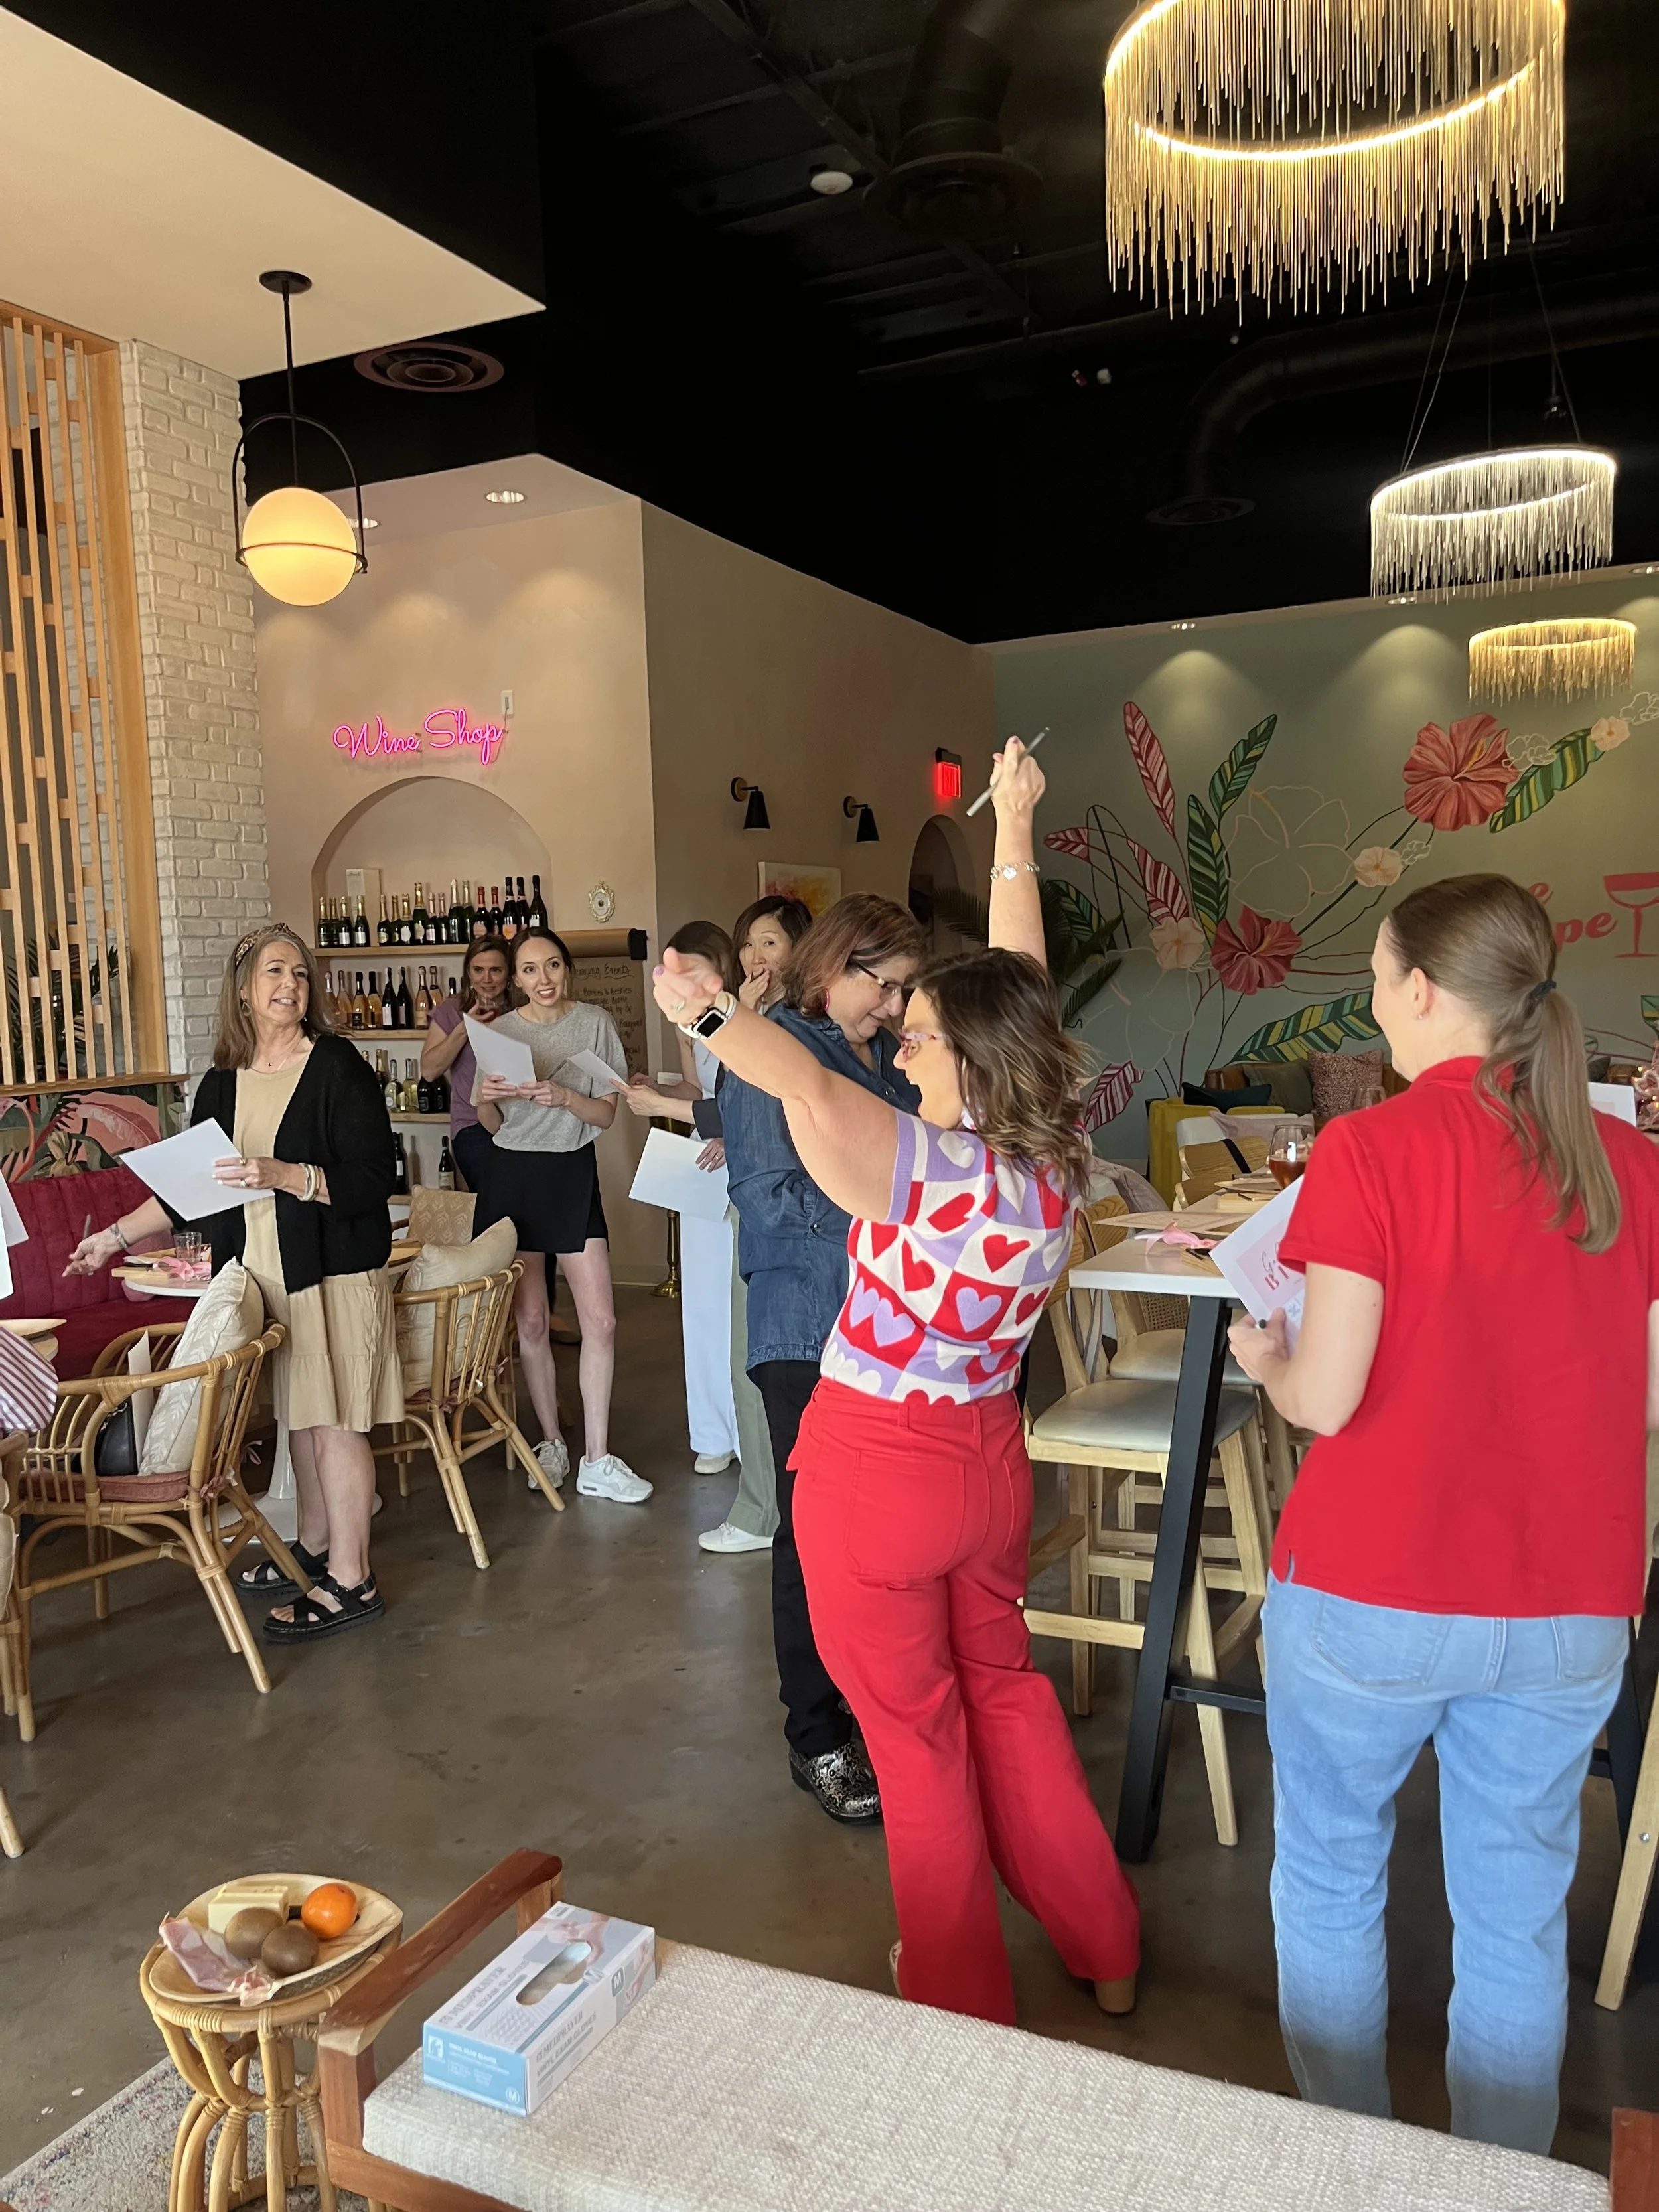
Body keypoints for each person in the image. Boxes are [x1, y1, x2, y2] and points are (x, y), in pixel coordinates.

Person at [652, 741, 1139, 2018]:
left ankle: (960, 1993)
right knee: (1009, 1696)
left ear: (967, 1060)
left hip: (878, 1473)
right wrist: (1017, 829)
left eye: (923, 1038)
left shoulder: (921, 1161)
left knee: (917, 1744)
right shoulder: (1051, 1153)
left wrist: (705, 1010)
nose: (906, 1050)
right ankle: (1106, 1941)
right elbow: (1019, 985)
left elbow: (798, 1072)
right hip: (987, 1464)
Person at [1226, 872, 1659, 2155]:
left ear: (1419, 991)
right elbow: (1645, 1396)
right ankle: (1497, 2184)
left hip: (1374, 1583)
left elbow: (1328, 1397)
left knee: (1331, 1868)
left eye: (1373, 979)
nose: (1375, 1003)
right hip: (1571, 1597)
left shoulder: (1370, 1147)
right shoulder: (1629, 1155)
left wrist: (1267, 1356)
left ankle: (1354, 2163)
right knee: (1518, 1907)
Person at [66, 923, 403, 1640]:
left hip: (333, 1273)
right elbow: (190, 1190)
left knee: (336, 1421)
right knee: (301, 1417)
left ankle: (353, 1579)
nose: (291, 985)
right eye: (275, 972)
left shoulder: (336, 1066)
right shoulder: (222, 1081)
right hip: (261, 1276)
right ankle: (312, 1548)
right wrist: (112, 1238)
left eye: (301, 975)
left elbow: (376, 1177)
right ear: (244, 991)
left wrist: (288, 1176)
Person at [717, 891, 926, 1823]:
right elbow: (772, 1200)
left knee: (880, 1532)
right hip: (806, 1324)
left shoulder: (881, 1057)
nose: (894, 1007)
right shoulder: (773, 1052)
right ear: (838, 964)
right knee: (811, 1536)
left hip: (884, 1327)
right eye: (886, 987)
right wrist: (904, 1224)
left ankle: (871, 1703)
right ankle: (816, 1732)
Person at [625, 896, 814, 1557]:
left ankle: (766, 1511)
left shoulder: (792, 1023)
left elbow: (758, 1108)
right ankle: (770, 1504)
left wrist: (666, 1102)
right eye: (749, 945)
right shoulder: (762, 1018)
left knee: (759, 1357)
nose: (757, 958)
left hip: (782, 1209)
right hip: (763, 1202)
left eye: (771, 943)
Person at [474, 926, 647, 1505]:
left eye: (551, 966)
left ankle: (597, 1457)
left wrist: (563, 1097)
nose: (541, 979)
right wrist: (488, 1100)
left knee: (600, 1321)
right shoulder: (499, 1032)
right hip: (514, 1176)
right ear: (516, 978)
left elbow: (604, 1116)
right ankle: (550, 1441)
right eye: (529, 970)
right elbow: (494, 1126)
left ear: (565, 969)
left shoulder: (595, 1022)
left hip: (572, 1172)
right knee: (531, 1322)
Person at [624, 921, 743, 1479]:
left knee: (738, 1299)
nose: (688, 982)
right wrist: (655, 1092)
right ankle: (712, 1431)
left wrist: (723, 1129)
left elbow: (756, 1096)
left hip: (741, 1151)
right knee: (700, 1301)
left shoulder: (748, 1015)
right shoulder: (685, 1021)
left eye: (698, 970)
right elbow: (698, 1091)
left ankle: (749, 1432)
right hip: (703, 1156)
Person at [421, 934, 512, 1205]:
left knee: (531, 1206)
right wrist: (464, 1029)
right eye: (479, 970)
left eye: (496, 970)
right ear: (468, 973)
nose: (487, 979)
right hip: (472, 1124)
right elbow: (429, 1071)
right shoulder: (451, 1010)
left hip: (520, 1121)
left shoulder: (523, 1008)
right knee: (496, 1203)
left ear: (510, 973)